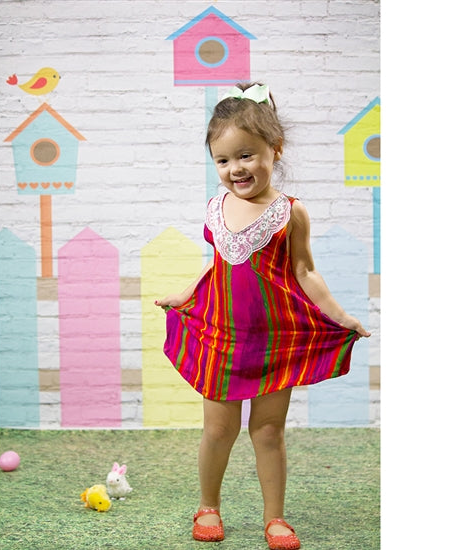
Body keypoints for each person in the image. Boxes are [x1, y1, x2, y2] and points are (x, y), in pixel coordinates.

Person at [154, 82, 370, 550]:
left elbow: (304, 271)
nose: (236, 169)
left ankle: (275, 517)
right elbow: (217, 265)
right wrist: (184, 293)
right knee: (218, 428)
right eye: (224, 160)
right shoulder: (215, 208)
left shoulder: (290, 213)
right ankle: (208, 505)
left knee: (268, 431)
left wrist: (340, 316)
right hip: (220, 336)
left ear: (276, 149)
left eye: (247, 155)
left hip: (275, 340)